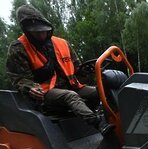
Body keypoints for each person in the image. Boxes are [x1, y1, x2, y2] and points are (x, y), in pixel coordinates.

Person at [6, 5, 114, 136]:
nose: (41, 35)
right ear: (27, 32)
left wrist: (86, 70)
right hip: (46, 91)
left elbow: (76, 67)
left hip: (72, 85)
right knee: (70, 96)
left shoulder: (61, 43)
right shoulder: (19, 48)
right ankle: (100, 125)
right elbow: (19, 78)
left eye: (43, 31)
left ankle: (114, 118)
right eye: (37, 32)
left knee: (100, 92)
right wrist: (31, 88)